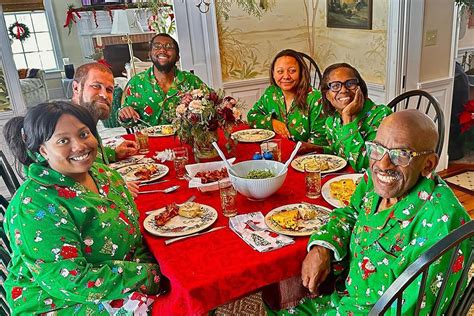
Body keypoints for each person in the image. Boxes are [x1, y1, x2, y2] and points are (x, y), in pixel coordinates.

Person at [268, 110, 471, 315]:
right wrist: (323, 247)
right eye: (377, 149)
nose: (382, 164)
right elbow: (350, 212)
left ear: (428, 165)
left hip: (372, 311)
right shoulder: (373, 180)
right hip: (343, 294)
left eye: (401, 155)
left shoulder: (442, 225)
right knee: (273, 297)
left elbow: (416, 308)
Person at [3, 101, 167, 314]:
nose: (79, 146)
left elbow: (134, 233)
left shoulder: (106, 175)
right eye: (63, 140)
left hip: (122, 277)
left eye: (84, 134)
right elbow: (71, 280)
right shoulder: (34, 205)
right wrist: (150, 276)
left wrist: (154, 269)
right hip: (60, 302)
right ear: (43, 150)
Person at [119, 33, 208, 126]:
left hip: (185, 139)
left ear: (177, 57)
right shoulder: (135, 83)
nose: (162, 50)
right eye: (157, 46)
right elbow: (126, 122)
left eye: (169, 47)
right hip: (149, 139)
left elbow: (213, 105)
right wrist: (124, 116)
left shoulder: (192, 81)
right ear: (149, 54)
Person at [320, 62, 392, 172]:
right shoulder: (332, 121)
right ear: (327, 95)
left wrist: (348, 118)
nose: (343, 90)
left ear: (360, 88)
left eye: (350, 83)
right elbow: (340, 152)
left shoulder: (382, 116)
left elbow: (365, 166)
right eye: (335, 86)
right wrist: (317, 148)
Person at [247, 49, 327, 146]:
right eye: (280, 71)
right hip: (276, 150)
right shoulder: (271, 92)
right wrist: (272, 122)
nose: (286, 76)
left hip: (304, 157)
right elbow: (252, 116)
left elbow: (319, 143)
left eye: (292, 71)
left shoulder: (315, 99)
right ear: (273, 73)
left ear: (301, 72)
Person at [71, 62, 138, 164]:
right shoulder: (66, 124)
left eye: (109, 90)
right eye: (96, 86)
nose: (104, 95)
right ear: (76, 88)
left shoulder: (86, 118)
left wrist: (113, 153)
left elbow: (89, 156)